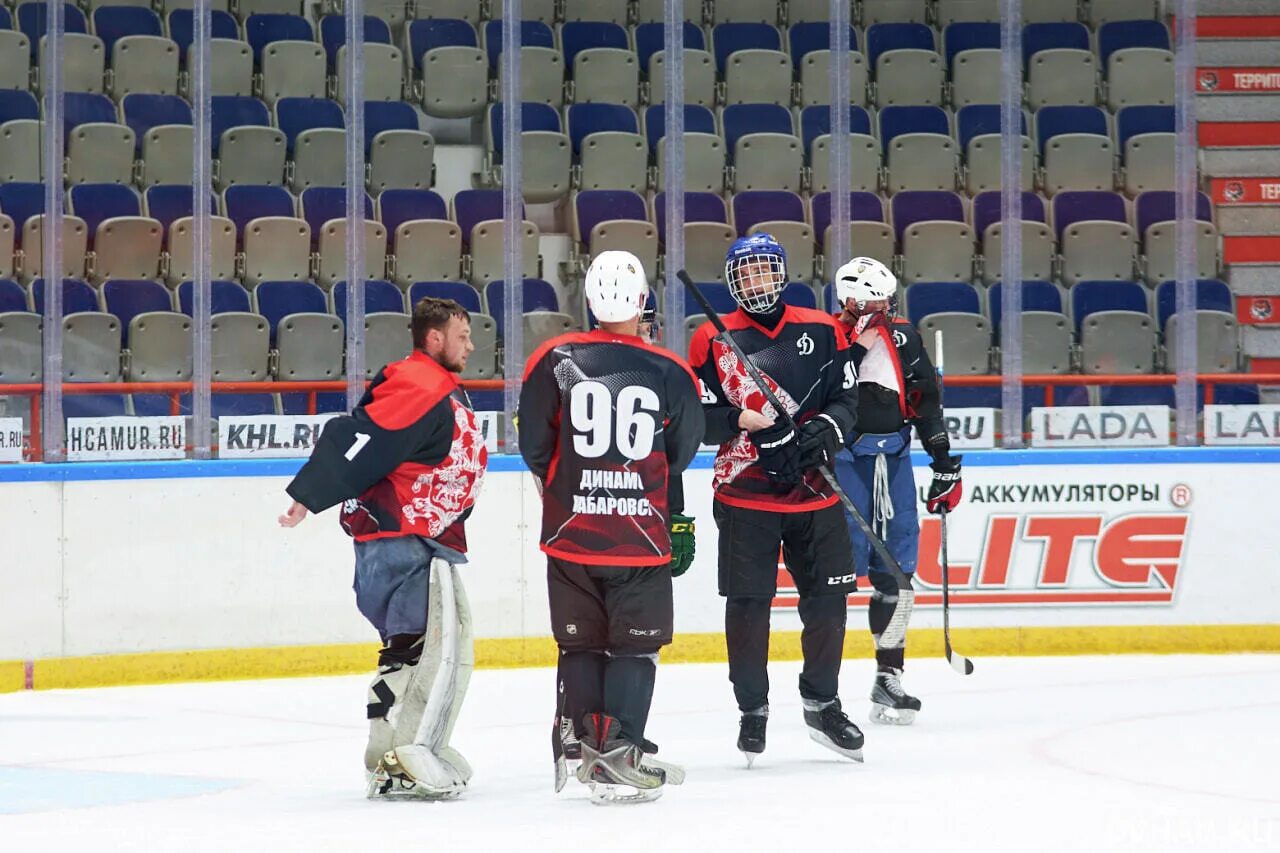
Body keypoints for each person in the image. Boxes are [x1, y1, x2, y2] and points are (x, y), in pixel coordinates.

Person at [278, 297, 488, 799]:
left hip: (411, 536)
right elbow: (358, 438)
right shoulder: (420, 382)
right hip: (405, 539)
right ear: (434, 339)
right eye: (463, 337)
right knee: (423, 650)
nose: (471, 346)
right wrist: (308, 494)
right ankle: (401, 753)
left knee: (414, 648)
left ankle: (398, 749)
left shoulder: (429, 384)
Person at [517, 250, 704, 804]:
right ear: (643, 301)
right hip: (639, 535)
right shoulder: (670, 369)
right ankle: (617, 753)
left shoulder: (553, 357)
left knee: (581, 645)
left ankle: (581, 740)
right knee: (633, 650)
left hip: (570, 532)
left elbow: (533, 445)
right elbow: (681, 451)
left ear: (589, 301)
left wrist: (572, 487)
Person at [687, 233, 865, 765]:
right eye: (746, 273)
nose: (757, 282)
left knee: (828, 604)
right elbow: (699, 419)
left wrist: (827, 430)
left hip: (815, 492)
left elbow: (849, 400)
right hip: (746, 494)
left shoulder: (822, 328)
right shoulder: (711, 339)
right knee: (748, 607)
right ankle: (752, 710)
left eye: (765, 271)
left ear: (781, 275)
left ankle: (822, 701)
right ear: (733, 281)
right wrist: (743, 419)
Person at [829, 257, 963, 725]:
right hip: (842, 463)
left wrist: (945, 463)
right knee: (833, 577)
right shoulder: (827, 338)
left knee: (900, 575)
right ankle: (823, 690)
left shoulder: (904, 336)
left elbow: (926, 400)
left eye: (887, 302)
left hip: (895, 461)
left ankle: (890, 676)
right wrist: (852, 348)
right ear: (849, 302)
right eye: (872, 304)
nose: (883, 311)